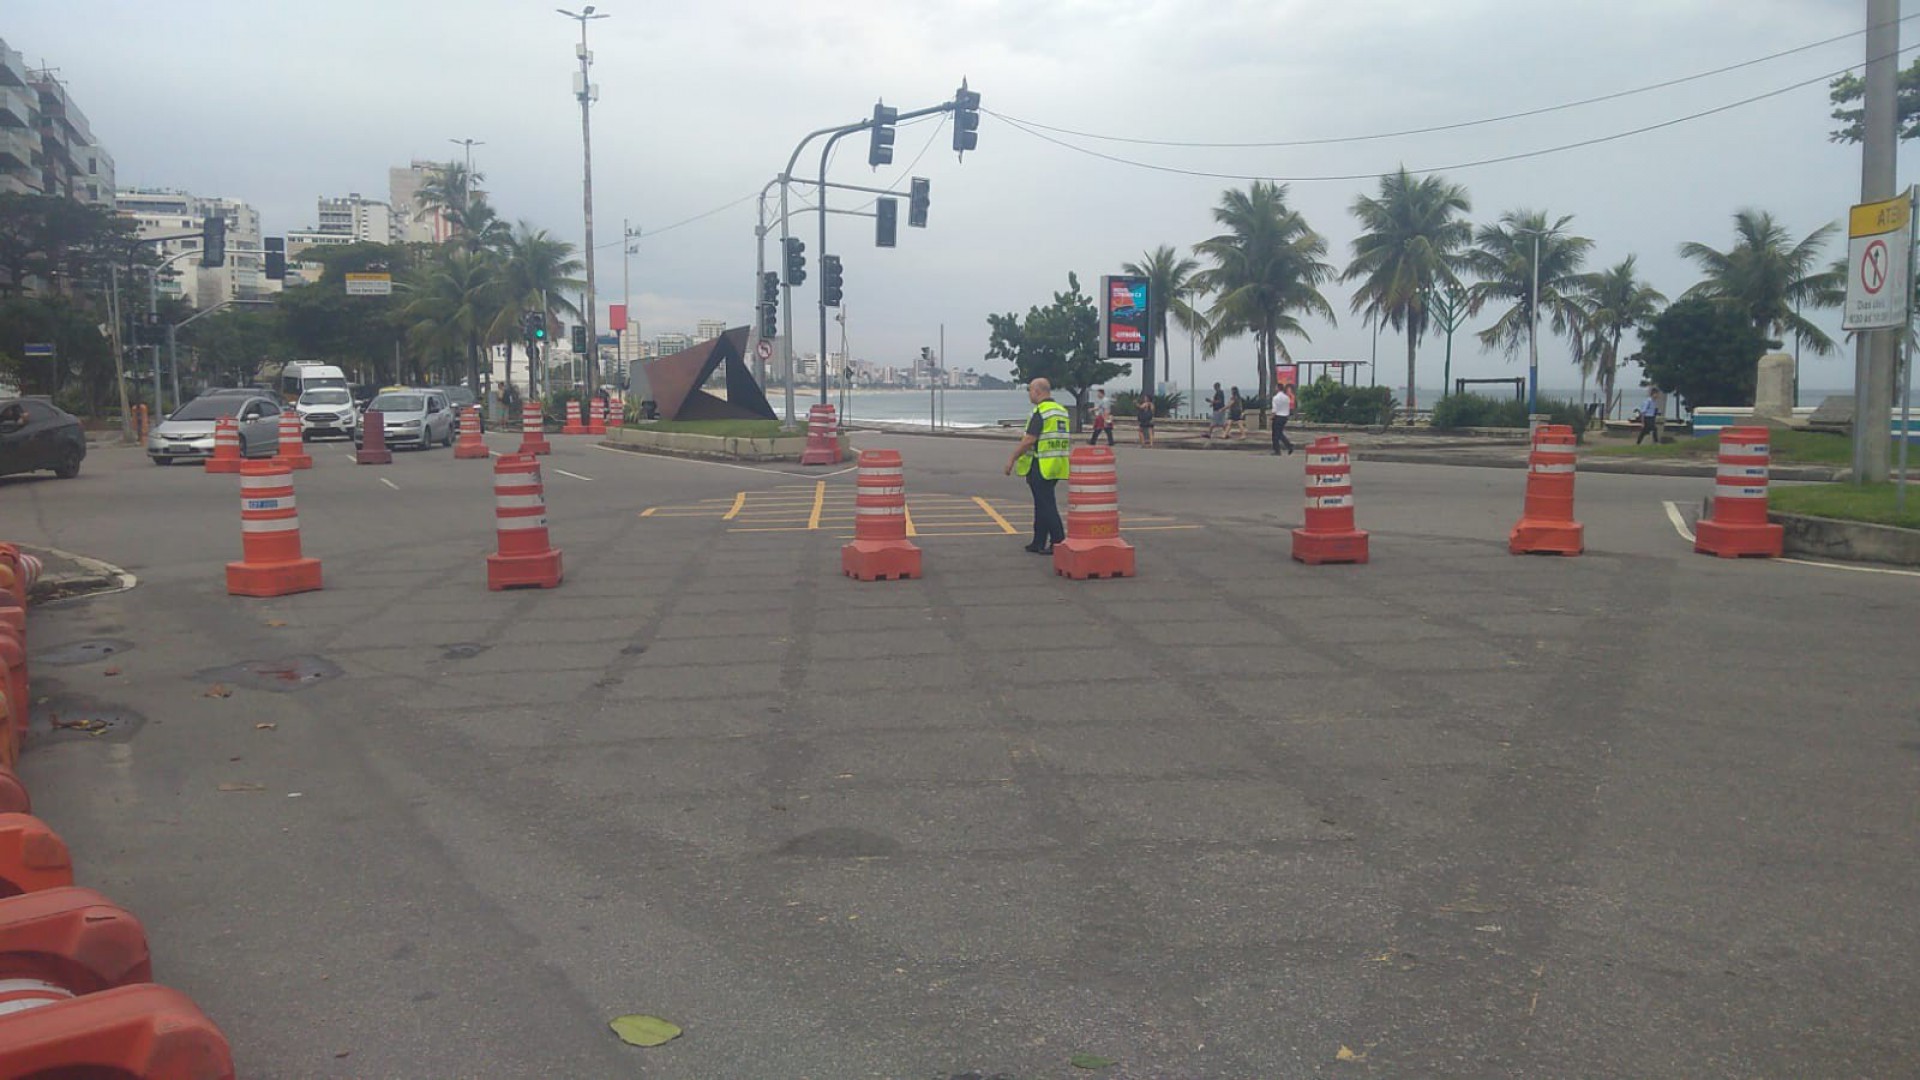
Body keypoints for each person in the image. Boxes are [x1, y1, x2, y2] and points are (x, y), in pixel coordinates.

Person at [1006, 378, 1072, 553]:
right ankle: (1038, 541)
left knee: (1046, 505)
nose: (1029, 394)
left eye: (1030, 390)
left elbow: (1029, 440)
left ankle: (1058, 541)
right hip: (1056, 463)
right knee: (1041, 503)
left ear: (1037, 391)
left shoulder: (1041, 411)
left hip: (1041, 463)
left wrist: (1012, 458)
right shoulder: (1061, 411)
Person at [1271, 383, 1294, 455]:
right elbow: (1288, 407)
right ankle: (1288, 446)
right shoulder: (1287, 397)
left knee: (1275, 434)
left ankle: (1278, 450)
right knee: (1279, 433)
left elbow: (1274, 409)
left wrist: (1272, 416)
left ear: (1278, 388)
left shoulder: (1275, 398)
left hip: (1278, 416)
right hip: (1284, 417)